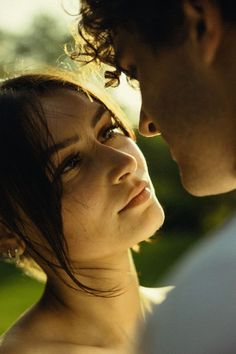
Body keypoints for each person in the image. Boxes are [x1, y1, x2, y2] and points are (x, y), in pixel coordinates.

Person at [74, 0, 236, 353]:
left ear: (200, 27)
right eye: (70, 163)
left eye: (139, 71)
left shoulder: (215, 301)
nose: (145, 123)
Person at [0, 71, 172, 354]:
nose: (124, 161)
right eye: (69, 164)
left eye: (108, 131)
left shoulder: (204, 305)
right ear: (6, 230)